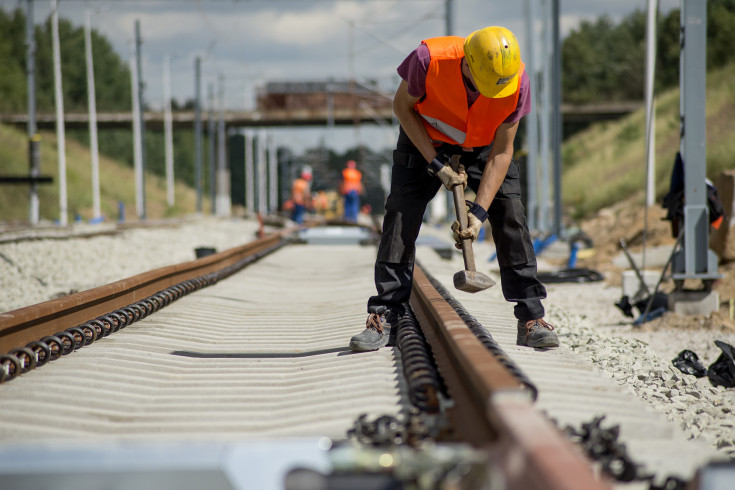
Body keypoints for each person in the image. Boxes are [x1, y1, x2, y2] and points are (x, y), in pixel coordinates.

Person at [349, 26, 558, 352]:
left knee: (510, 213)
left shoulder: (517, 82)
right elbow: (402, 107)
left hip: (484, 144)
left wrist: (478, 214)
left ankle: (531, 317)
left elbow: (503, 152)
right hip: (426, 138)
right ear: (467, 64)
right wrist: (436, 164)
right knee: (401, 213)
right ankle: (384, 314)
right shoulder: (428, 60)